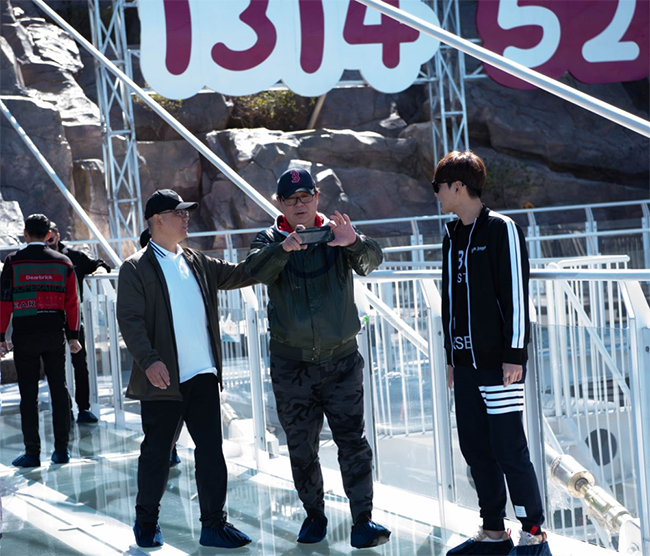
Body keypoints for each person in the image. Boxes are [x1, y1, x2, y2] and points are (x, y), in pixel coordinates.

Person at [245, 168, 390, 549]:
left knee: (353, 443)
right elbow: (254, 270)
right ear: (280, 203)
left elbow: (372, 261)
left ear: (317, 197)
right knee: (301, 446)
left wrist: (353, 242)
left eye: (306, 196)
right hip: (292, 366)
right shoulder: (269, 239)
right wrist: (284, 249)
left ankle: (363, 521)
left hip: (341, 362)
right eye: (291, 199)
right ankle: (314, 515)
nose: (300, 204)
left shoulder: (336, 233)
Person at [116, 189, 256, 549]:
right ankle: (146, 522)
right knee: (157, 454)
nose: (186, 217)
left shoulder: (195, 260)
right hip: (164, 380)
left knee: (211, 452)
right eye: (178, 213)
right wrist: (149, 360)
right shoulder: (136, 267)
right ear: (157, 220)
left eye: (186, 212)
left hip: (203, 374)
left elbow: (241, 273)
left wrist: (281, 249)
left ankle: (214, 525)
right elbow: (130, 320)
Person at [432, 151, 552, 556]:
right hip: (465, 365)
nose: (436, 195)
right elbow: (450, 301)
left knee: (508, 448)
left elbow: (516, 294)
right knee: (475, 449)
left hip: (499, 365)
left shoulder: (502, 229)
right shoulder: (452, 235)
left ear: (458, 187)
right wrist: (451, 357)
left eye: (438, 187)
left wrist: (515, 354)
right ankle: (494, 532)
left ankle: (533, 533)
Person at [0, 214, 81, 467]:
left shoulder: (13, 262)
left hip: (24, 336)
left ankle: (32, 453)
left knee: (28, 396)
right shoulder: (63, 262)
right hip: (54, 335)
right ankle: (62, 450)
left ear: (25, 234)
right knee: (59, 390)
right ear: (48, 235)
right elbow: (73, 303)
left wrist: (1, 336)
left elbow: (4, 301)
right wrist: (73, 336)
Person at [47, 221, 111, 424]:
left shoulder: (73, 256)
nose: (47, 242)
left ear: (57, 236)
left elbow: (99, 263)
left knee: (80, 364)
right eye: (44, 238)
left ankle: (83, 407)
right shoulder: (39, 258)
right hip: (49, 319)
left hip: (74, 318)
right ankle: (63, 407)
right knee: (54, 365)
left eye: (50, 238)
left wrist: (100, 271)